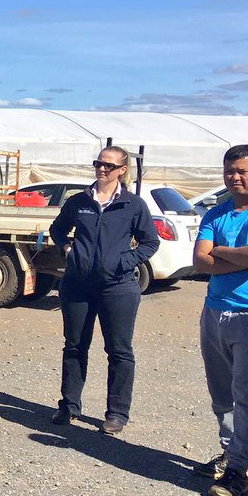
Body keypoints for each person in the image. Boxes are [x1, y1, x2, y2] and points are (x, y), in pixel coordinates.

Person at [47, 146, 160, 434]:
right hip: (78, 285)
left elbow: (150, 242)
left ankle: (117, 414)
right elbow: (57, 229)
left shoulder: (133, 205)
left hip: (118, 287)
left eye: (109, 165)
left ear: (122, 170)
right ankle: (69, 406)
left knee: (119, 351)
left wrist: (124, 261)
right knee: (74, 346)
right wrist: (67, 248)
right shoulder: (79, 201)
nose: (102, 169)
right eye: (99, 163)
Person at [191, 144, 248, 496]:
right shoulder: (217, 213)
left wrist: (221, 253)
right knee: (221, 394)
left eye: (242, 171)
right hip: (215, 311)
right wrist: (241, 256)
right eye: (229, 171)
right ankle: (230, 451)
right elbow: (199, 261)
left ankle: (239, 470)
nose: (234, 177)